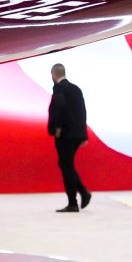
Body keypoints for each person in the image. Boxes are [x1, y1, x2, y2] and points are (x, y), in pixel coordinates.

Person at [47, 63, 92, 212]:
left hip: (65, 134)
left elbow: (59, 108)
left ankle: (74, 202)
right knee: (66, 164)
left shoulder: (59, 88)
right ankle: (83, 193)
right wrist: (84, 134)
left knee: (66, 165)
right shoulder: (76, 89)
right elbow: (82, 112)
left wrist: (58, 128)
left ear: (53, 74)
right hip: (77, 134)